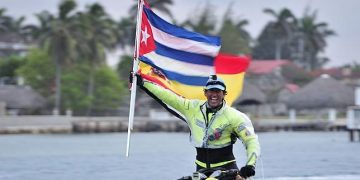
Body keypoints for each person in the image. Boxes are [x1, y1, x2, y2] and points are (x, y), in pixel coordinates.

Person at [131, 73, 260, 179]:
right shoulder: (192, 108)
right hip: (201, 171)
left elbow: (251, 141)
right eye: (210, 91)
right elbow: (168, 96)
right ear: (205, 93)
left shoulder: (234, 116)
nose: (214, 94)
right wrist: (143, 83)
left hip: (227, 171)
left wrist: (250, 166)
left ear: (224, 93)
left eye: (218, 91)